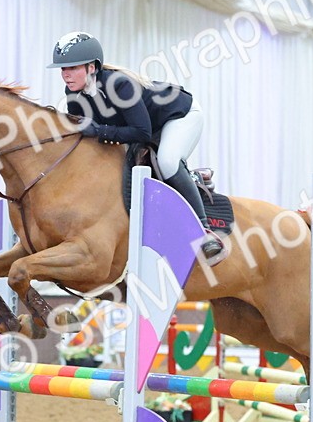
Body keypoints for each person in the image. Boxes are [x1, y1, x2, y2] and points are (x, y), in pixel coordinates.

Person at [49, 31, 224, 260]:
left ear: (92, 67)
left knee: (167, 162)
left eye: (72, 68)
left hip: (179, 116)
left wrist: (99, 131)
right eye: (63, 69)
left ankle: (203, 231)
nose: (65, 75)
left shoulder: (119, 85)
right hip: (145, 125)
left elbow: (142, 132)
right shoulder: (73, 93)